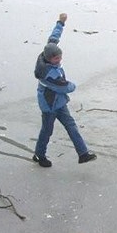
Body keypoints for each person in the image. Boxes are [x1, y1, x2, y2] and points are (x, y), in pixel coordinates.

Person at [33, 13, 97, 168]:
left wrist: (60, 22)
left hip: (59, 103)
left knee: (71, 126)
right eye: (56, 59)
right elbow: (65, 87)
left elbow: (54, 37)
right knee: (47, 131)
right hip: (49, 106)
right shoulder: (50, 74)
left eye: (60, 58)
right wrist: (73, 86)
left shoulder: (47, 51)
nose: (59, 61)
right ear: (49, 59)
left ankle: (83, 154)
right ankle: (39, 155)